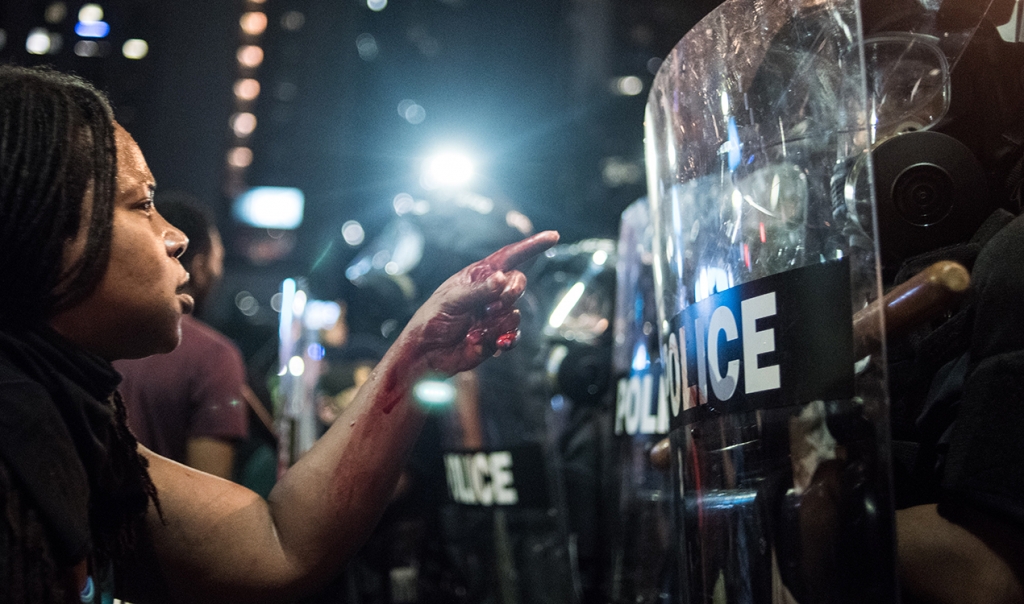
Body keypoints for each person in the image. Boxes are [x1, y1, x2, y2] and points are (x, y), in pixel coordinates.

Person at [0, 64, 559, 603]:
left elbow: (276, 547)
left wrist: (421, 352)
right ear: (41, 224)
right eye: (142, 204)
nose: (175, 238)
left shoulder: (73, 427)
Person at [113, 196, 249, 479]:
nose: (218, 274)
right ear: (198, 266)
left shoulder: (104, 333)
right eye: (217, 261)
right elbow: (210, 491)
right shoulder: (215, 357)